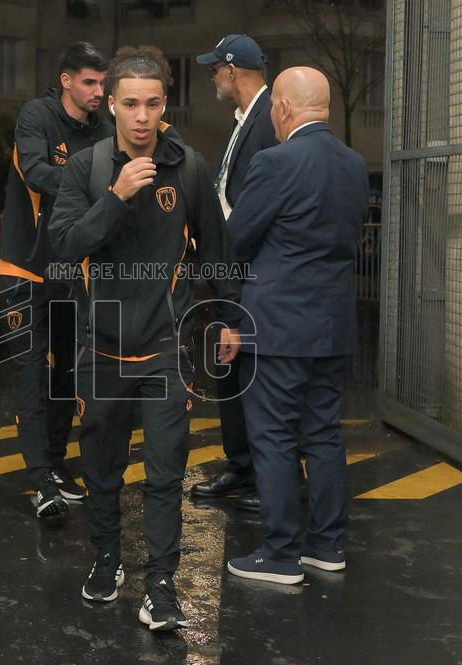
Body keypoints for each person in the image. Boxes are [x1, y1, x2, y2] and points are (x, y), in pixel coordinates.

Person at [48, 46, 242, 631]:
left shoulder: (188, 168)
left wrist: (228, 315)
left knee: (164, 473)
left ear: (163, 106)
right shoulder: (86, 168)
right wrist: (117, 197)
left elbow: (215, 247)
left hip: (166, 349)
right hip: (101, 348)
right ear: (110, 105)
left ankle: (161, 583)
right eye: (129, 104)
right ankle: (107, 561)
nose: (140, 116)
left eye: (151, 104)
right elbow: (63, 246)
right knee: (102, 472)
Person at [224, 67, 368, 584]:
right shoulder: (354, 165)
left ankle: (281, 552)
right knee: (323, 434)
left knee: (274, 436)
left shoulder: (274, 162)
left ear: (282, 109)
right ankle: (327, 545)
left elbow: (236, 237)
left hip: (277, 327)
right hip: (332, 327)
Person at [0, 42, 113, 518]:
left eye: (103, 83)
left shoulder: (104, 128)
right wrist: (93, 186)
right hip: (25, 265)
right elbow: (37, 170)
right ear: (67, 80)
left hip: (70, 268)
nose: (98, 92)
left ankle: (58, 464)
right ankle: (40, 478)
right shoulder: (36, 116)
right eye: (90, 82)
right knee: (30, 371)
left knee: (67, 370)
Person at [190, 34, 278, 506]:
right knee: (230, 366)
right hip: (232, 267)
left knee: (246, 366)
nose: (209, 76)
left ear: (232, 70)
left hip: (249, 269)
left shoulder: (266, 119)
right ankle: (242, 466)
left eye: (213, 68)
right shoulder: (246, 118)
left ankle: (258, 473)